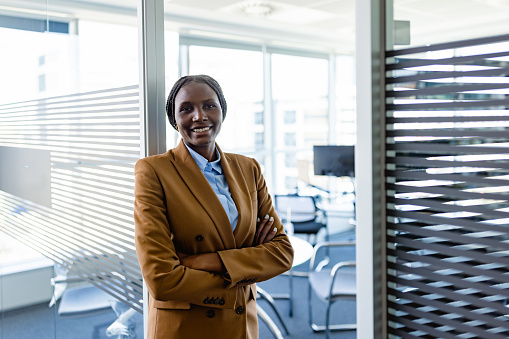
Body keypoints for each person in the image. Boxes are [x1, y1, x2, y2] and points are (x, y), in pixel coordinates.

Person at [134, 74, 294, 339]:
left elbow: (282, 253)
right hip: (186, 326)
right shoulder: (154, 171)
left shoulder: (248, 168)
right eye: (186, 109)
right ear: (175, 120)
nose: (199, 116)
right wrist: (249, 259)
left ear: (222, 111)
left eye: (209, 105)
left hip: (242, 323)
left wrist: (199, 261)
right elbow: (160, 278)